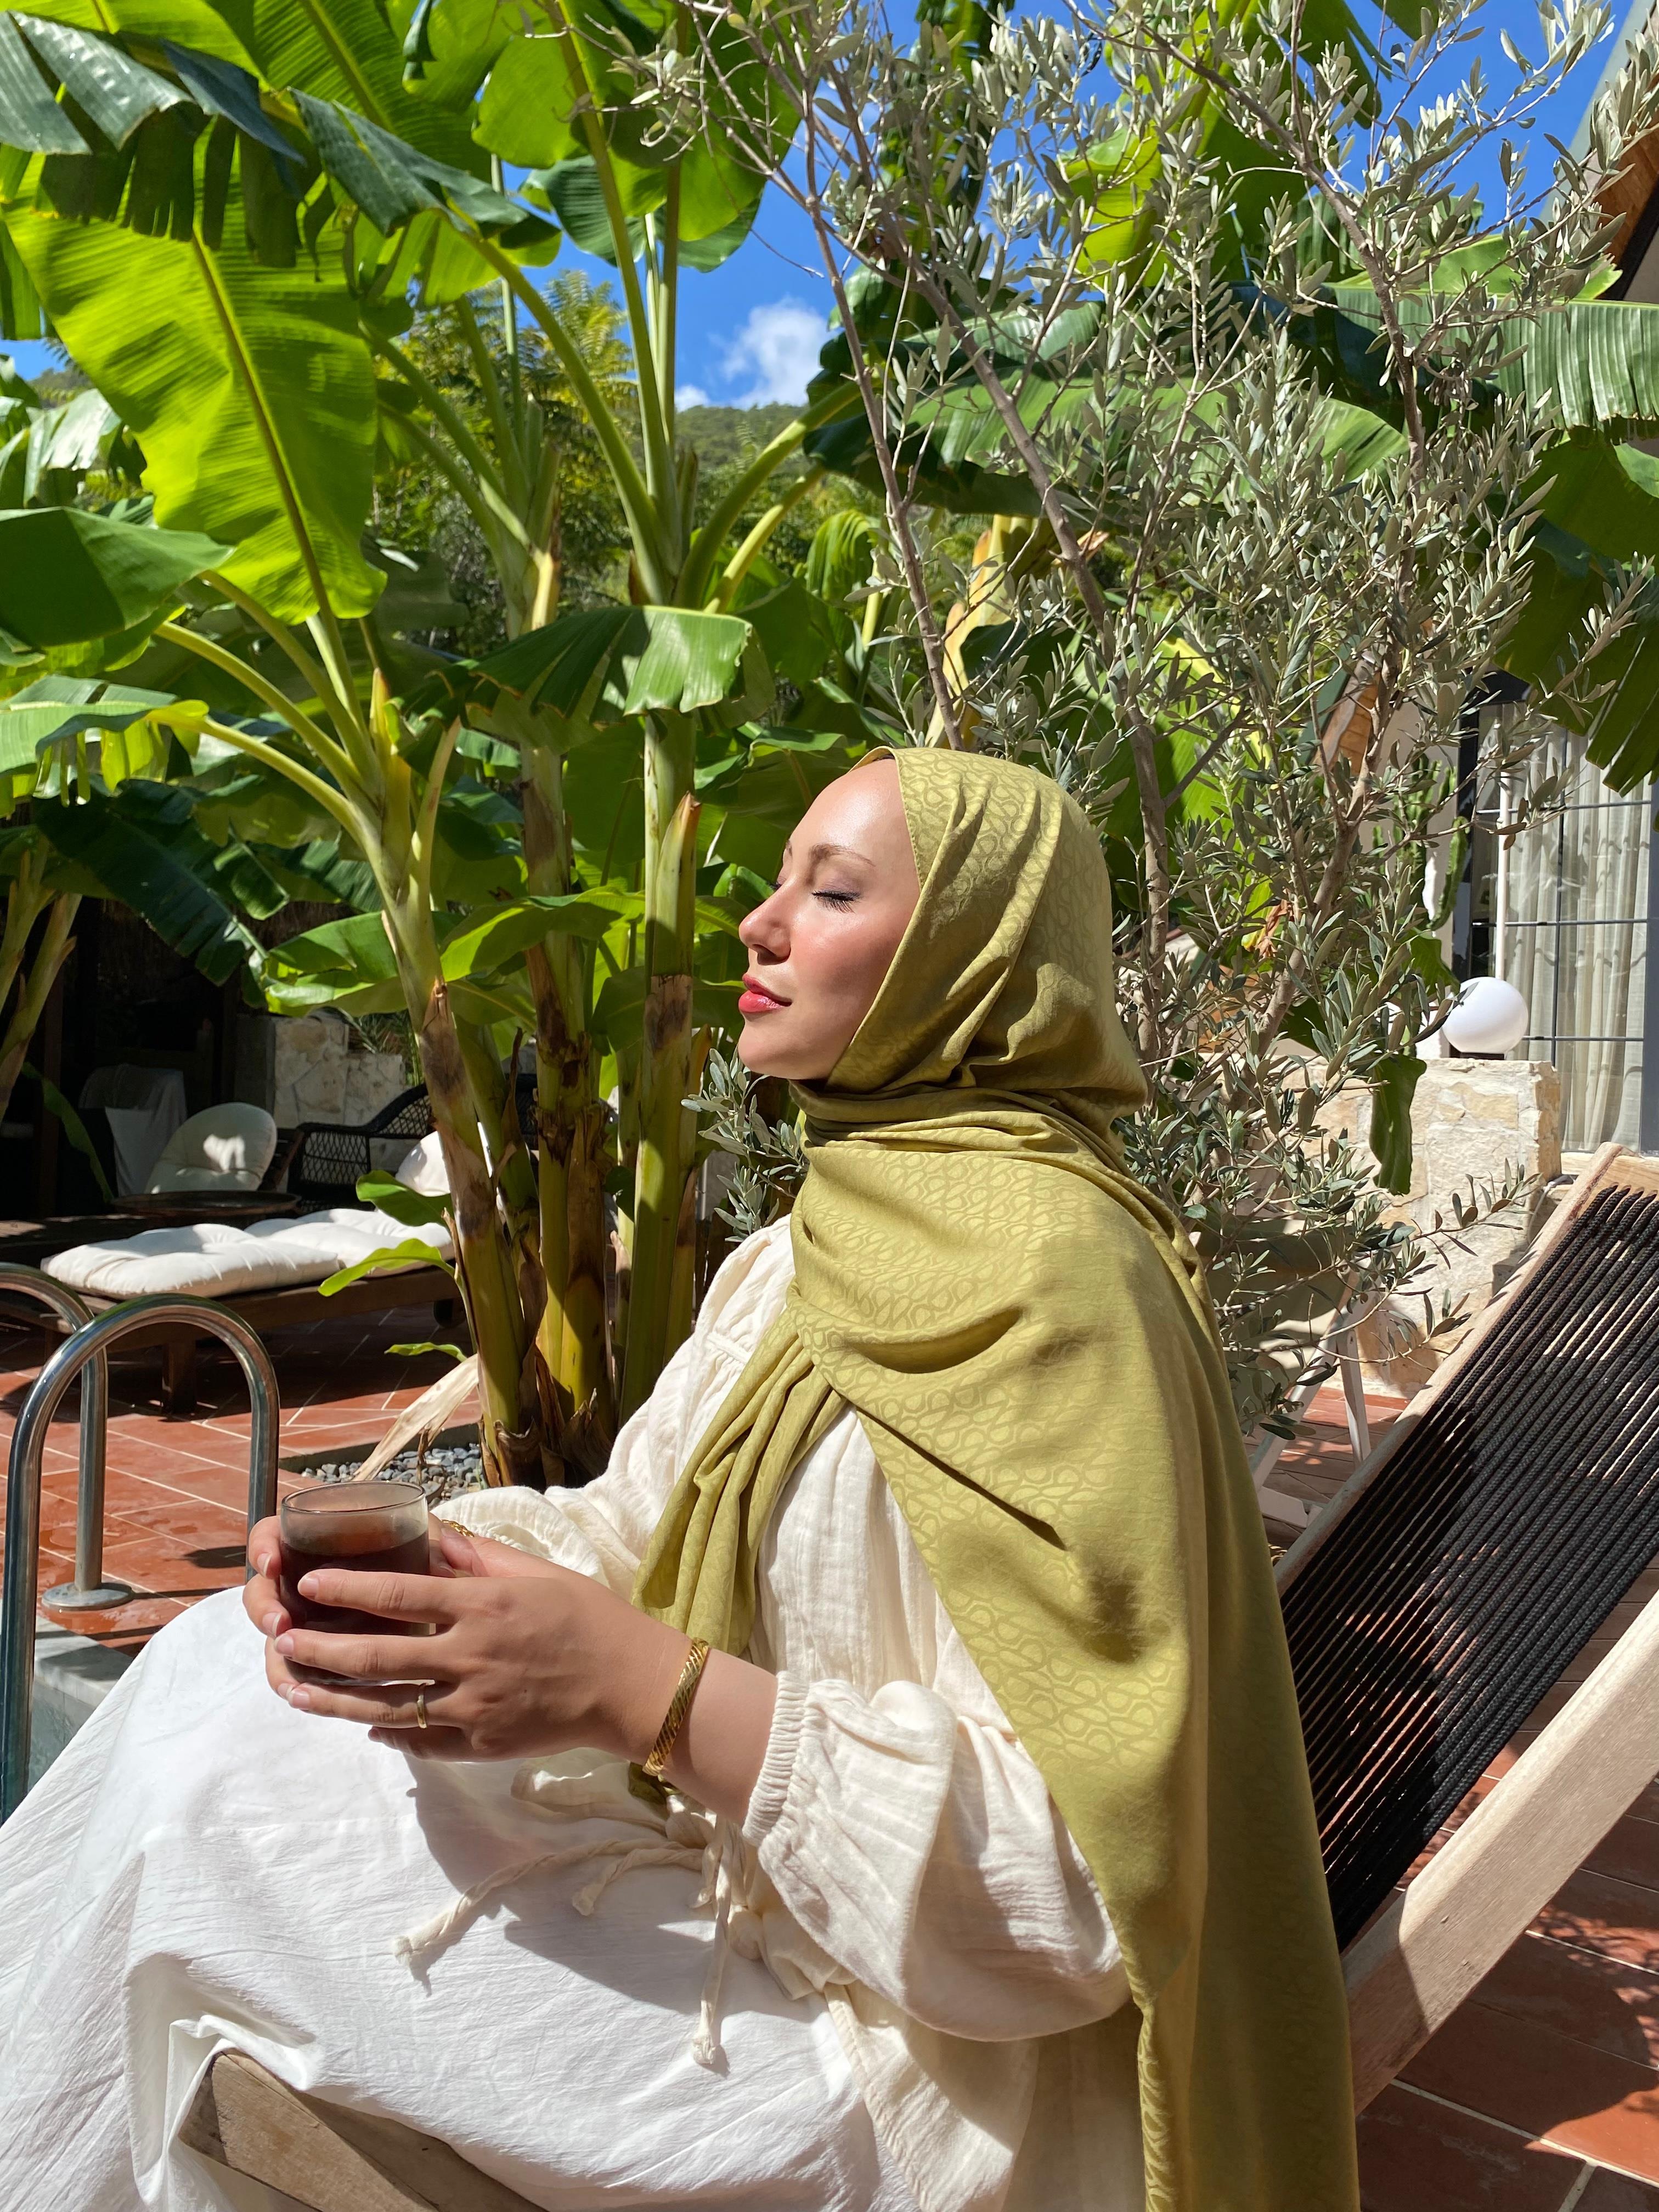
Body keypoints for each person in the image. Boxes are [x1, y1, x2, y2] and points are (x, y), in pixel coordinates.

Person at [0, 748, 1357, 2212]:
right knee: (215, 1686)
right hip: (722, 1887)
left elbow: (1084, 1893)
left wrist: (645, 1692)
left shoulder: (1062, 1299)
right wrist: (438, 1576)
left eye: (829, 891)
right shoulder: (816, 1246)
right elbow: (630, 1526)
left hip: (913, 2083)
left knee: (208, 1845)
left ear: (975, 964)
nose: (759, 927)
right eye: (776, 885)